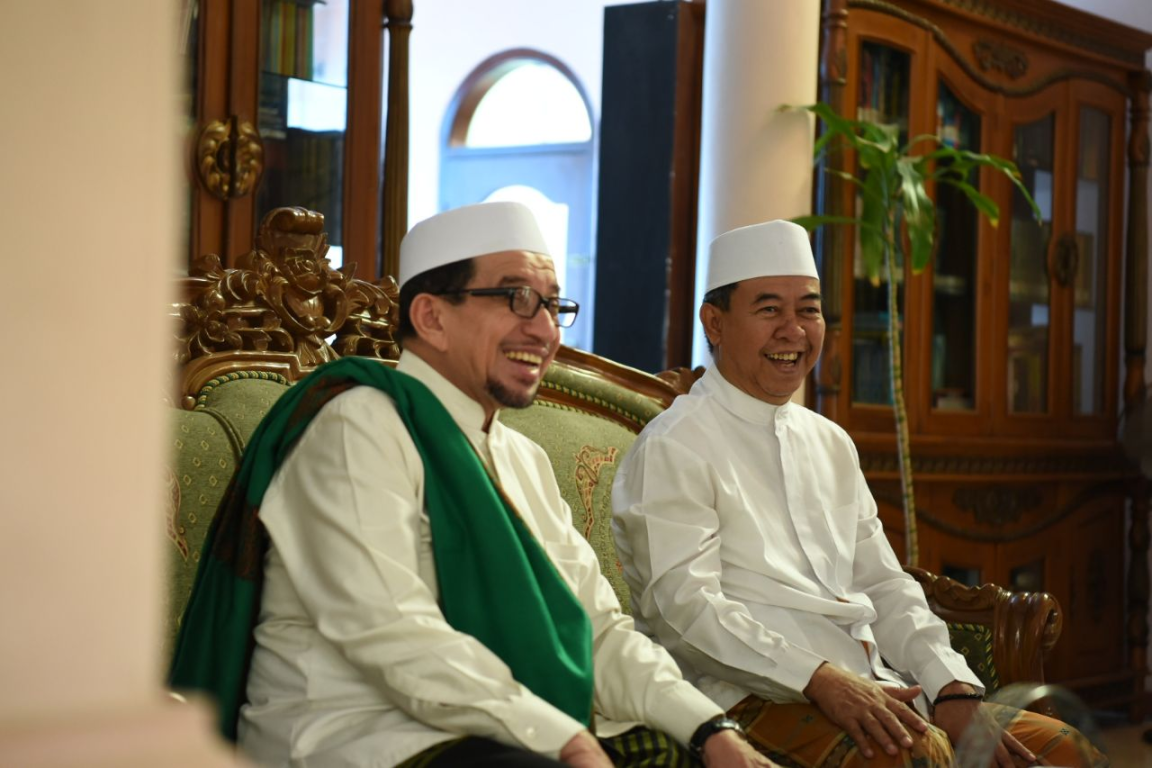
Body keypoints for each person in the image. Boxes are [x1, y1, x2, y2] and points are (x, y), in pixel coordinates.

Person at [170, 202, 774, 768]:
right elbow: (392, 632)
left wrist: (710, 728)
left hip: (501, 728)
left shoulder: (523, 459)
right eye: (516, 299)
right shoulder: (355, 427)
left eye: (552, 306)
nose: (543, 331)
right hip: (359, 737)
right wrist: (566, 740)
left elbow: (597, 628)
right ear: (430, 316)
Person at [611, 219, 1105, 768]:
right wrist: (818, 678)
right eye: (769, 309)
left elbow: (884, 583)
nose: (794, 331)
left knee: (1063, 749)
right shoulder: (675, 446)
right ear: (715, 322)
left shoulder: (830, 441)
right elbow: (685, 612)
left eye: (809, 309)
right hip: (750, 696)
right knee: (913, 756)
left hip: (872, 683)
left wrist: (952, 687)